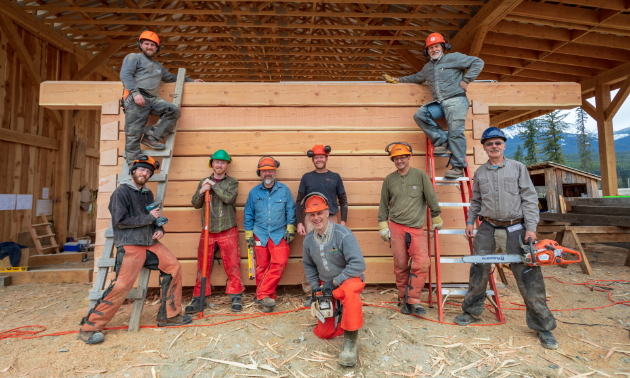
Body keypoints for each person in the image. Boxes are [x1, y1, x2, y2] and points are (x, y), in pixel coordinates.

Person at [455, 127, 558, 350]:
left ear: (503, 145)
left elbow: (530, 200)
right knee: (478, 269)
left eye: (497, 143)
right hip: (487, 227)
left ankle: (543, 326)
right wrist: (470, 222)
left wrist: (531, 228)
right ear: (484, 147)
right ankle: (471, 311)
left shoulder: (518, 168)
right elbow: (475, 201)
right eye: (489, 143)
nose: (493, 147)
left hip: (516, 228)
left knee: (529, 274)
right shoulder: (480, 173)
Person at [78, 155, 191, 344]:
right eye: (141, 170)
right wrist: (148, 218)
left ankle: (168, 316)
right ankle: (90, 326)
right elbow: (119, 222)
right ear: (134, 171)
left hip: (150, 243)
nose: (144, 173)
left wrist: (158, 228)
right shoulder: (121, 192)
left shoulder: (147, 194)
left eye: (148, 171)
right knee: (121, 285)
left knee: (173, 267)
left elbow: (153, 218)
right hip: (130, 244)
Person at [385, 33, 484, 179]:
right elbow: (416, 78)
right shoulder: (427, 68)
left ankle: (457, 167)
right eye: (430, 48)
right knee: (420, 114)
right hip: (440, 103)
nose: (434, 49)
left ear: (443, 47)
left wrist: (467, 79)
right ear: (427, 51)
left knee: (456, 133)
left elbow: (478, 62)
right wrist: (398, 79)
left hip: (456, 100)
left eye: (436, 46)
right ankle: (441, 140)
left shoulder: (453, 57)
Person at [120, 31, 204, 168]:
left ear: (157, 48)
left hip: (152, 99)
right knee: (133, 133)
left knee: (173, 110)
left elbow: (171, 77)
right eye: (146, 44)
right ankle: (134, 166)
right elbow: (125, 75)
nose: (149, 47)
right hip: (136, 97)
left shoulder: (158, 66)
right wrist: (135, 93)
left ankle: (151, 137)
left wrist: (192, 81)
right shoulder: (133, 57)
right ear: (140, 45)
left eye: (153, 45)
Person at [378, 142, 443, 316]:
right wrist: (383, 225)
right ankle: (403, 299)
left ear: (409, 157)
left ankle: (414, 301)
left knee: (421, 264)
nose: (399, 161)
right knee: (400, 265)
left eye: (402, 157)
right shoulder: (389, 180)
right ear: (393, 160)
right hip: (396, 227)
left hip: (415, 228)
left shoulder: (420, 176)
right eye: (396, 158)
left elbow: (431, 197)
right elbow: (384, 205)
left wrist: (436, 215)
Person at [302, 193, 366, 367]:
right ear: (308, 217)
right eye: (312, 215)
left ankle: (350, 343)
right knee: (324, 333)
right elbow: (308, 265)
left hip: (348, 280)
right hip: (326, 285)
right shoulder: (308, 240)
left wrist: (335, 282)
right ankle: (342, 316)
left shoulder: (343, 234)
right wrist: (316, 287)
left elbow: (358, 264)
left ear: (327, 212)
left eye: (319, 213)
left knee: (350, 293)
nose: (316, 218)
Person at [186, 150, 243, 313]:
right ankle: (199, 298)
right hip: (208, 229)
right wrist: (201, 191)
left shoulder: (232, 182)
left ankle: (236, 296)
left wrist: (213, 185)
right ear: (212, 163)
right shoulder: (203, 182)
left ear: (227, 165)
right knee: (202, 265)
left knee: (232, 264)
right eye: (217, 162)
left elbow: (228, 199)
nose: (219, 165)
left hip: (227, 228)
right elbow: (196, 204)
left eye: (223, 162)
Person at [295, 145, 348, 306]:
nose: (319, 159)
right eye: (316, 157)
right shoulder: (307, 177)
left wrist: (343, 222)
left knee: (332, 254)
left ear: (326, 158)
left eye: (321, 157)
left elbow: (343, 201)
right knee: (311, 254)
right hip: (311, 220)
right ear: (313, 159)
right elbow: (299, 201)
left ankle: (331, 288)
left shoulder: (335, 177)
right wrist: (299, 222)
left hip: (331, 218)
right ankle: (312, 290)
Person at [243, 156, 297, 313]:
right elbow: (248, 214)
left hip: (279, 233)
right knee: (261, 266)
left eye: (271, 171)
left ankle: (261, 294)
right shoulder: (254, 193)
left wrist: (291, 230)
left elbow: (290, 211)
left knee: (279, 262)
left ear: (275, 172)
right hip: (259, 234)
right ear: (259, 173)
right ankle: (267, 298)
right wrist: (248, 234)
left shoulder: (284, 190)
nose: (268, 174)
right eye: (264, 171)